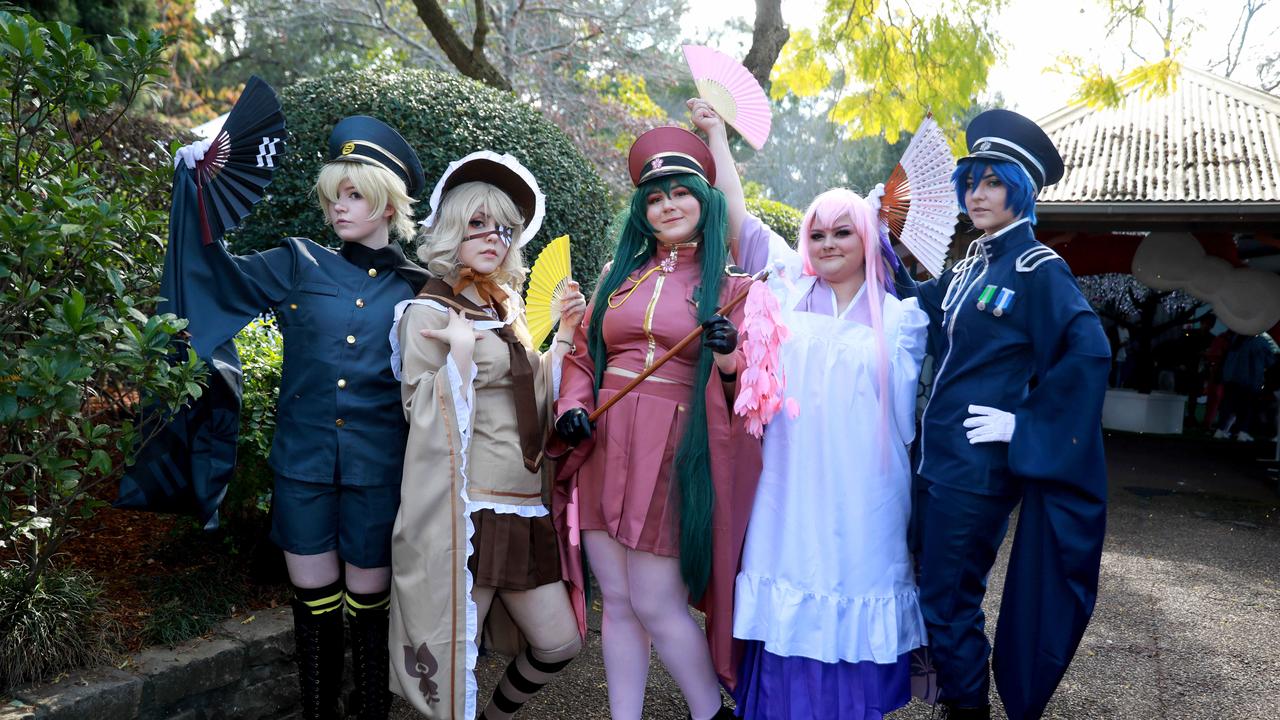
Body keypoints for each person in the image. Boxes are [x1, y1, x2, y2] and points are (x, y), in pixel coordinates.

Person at [168, 116, 429, 720]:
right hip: (304, 465)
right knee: (312, 601)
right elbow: (210, 274)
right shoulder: (296, 263)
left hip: (378, 471)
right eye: (333, 195)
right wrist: (194, 186)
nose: (338, 207)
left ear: (387, 204)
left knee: (368, 604)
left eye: (354, 194)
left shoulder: (421, 289)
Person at [688, 99, 931, 719]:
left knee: (855, 580)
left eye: (842, 231)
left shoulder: (903, 320)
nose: (826, 243)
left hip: (865, 489)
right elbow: (739, 222)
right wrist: (717, 136)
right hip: (788, 483)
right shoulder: (788, 291)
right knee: (789, 576)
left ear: (868, 238)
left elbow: (907, 418)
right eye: (816, 233)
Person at [550, 127, 762, 720]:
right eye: (655, 196)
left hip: (672, 451)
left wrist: (728, 355)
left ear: (705, 200)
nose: (667, 205)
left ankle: (710, 713)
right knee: (615, 600)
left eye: (680, 193)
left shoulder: (733, 287)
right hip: (603, 440)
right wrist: (571, 406)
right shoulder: (617, 280)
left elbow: (746, 393)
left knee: (655, 601)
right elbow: (581, 359)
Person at [912, 109, 1111, 720]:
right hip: (932, 458)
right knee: (930, 598)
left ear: (1021, 191)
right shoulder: (972, 265)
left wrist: (1026, 424)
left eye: (993, 182)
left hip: (976, 469)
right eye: (971, 180)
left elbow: (1089, 351)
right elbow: (901, 304)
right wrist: (863, 233)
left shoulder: (1037, 269)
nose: (977, 193)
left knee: (948, 606)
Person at [386, 151, 587, 719]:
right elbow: (418, 413)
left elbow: (531, 399)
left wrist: (565, 337)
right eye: (478, 223)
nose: (493, 237)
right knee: (453, 660)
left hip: (522, 506)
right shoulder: (426, 308)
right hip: (465, 510)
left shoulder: (507, 305)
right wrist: (461, 357)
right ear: (452, 226)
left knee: (559, 643)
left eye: (504, 228)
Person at [1213, 332, 1278, 442]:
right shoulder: (1260, 341)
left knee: (1228, 406)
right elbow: (1271, 360)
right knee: (1246, 407)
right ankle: (1242, 432)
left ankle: (1220, 430)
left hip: (1231, 378)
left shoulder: (1236, 339)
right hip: (1249, 379)